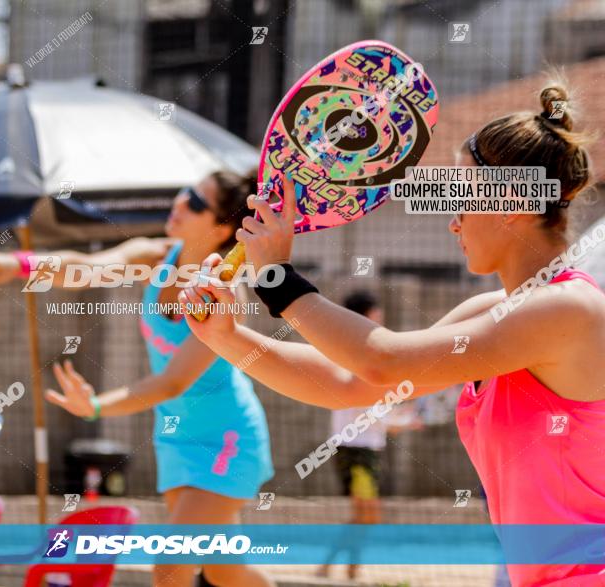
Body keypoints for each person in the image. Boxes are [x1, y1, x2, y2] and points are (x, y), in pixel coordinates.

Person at [181, 80, 605, 585]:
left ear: (513, 202)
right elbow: (355, 385)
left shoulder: (567, 309)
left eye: (462, 195)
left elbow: (385, 359)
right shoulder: (500, 309)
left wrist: (278, 278)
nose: (453, 219)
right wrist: (229, 339)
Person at [0, 171, 276, 587]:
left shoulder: (224, 295)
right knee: (223, 568)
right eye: (183, 191)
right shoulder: (156, 257)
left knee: (170, 564)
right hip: (176, 436)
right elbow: (83, 267)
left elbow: (172, 383)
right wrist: (18, 265)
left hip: (227, 440)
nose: (178, 202)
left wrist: (97, 406)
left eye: (194, 202)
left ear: (222, 228)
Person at [317, 290, 422, 581]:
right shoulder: (357, 356)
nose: (380, 322)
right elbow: (373, 412)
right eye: (376, 317)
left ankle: (343, 568)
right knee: (367, 515)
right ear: (362, 318)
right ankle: (336, 567)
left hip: (359, 448)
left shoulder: (350, 353)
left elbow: (375, 410)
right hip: (356, 448)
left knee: (365, 515)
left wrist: (401, 417)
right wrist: (404, 419)